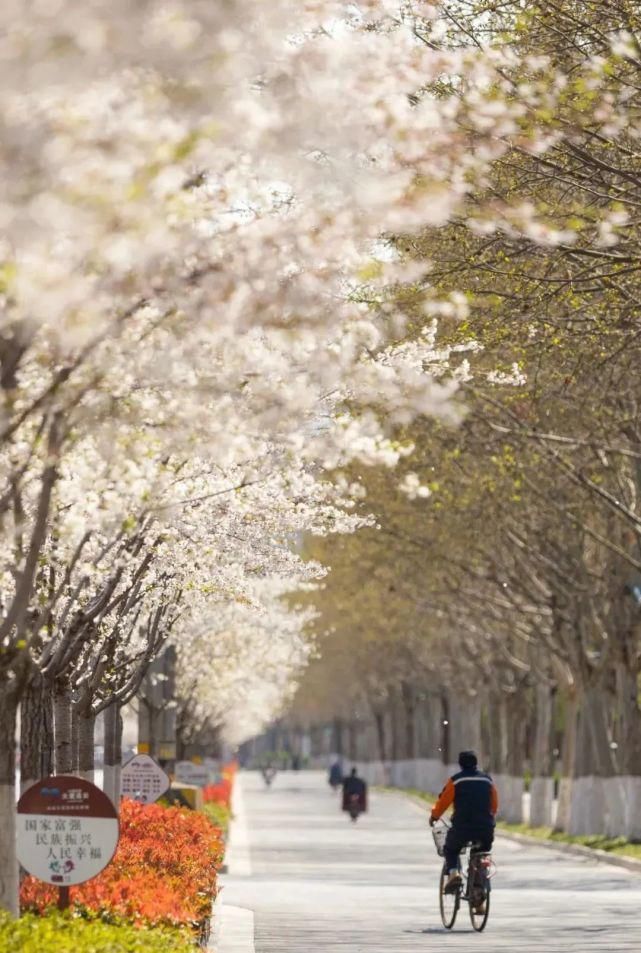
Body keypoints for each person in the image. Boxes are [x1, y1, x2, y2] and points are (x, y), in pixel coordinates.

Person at [429, 750, 498, 901]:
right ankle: (479, 900)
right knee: (481, 854)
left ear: (460, 765)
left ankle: (454, 873)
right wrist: (488, 818)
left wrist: (434, 817)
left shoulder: (455, 781)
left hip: (462, 828)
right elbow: (494, 805)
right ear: (476, 763)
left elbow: (443, 803)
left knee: (451, 849)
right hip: (485, 829)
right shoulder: (487, 780)